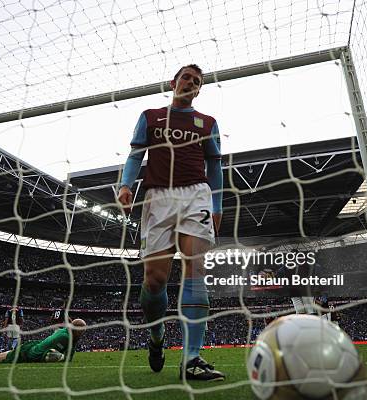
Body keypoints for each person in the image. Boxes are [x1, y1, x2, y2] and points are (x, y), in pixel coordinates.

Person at [117, 64, 224, 381]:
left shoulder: (208, 123)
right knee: (154, 280)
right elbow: (136, 155)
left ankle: (192, 357)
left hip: (196, 195)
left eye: (197, 81)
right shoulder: (150, 116)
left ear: (199, 90)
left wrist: (217, 205)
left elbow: (215, 166)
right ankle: (157, 337)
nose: (191, 83)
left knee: (196, 266)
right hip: (157, 197)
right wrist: (126, 186)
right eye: (187, 78)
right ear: (173, 82)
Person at [0, 318, 86, 364]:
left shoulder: (64, 331)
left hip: (33, 346)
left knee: (1, 355)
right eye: (82, 331)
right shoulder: (66, 338)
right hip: (30, 353)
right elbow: (68, 358)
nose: (82, 333)